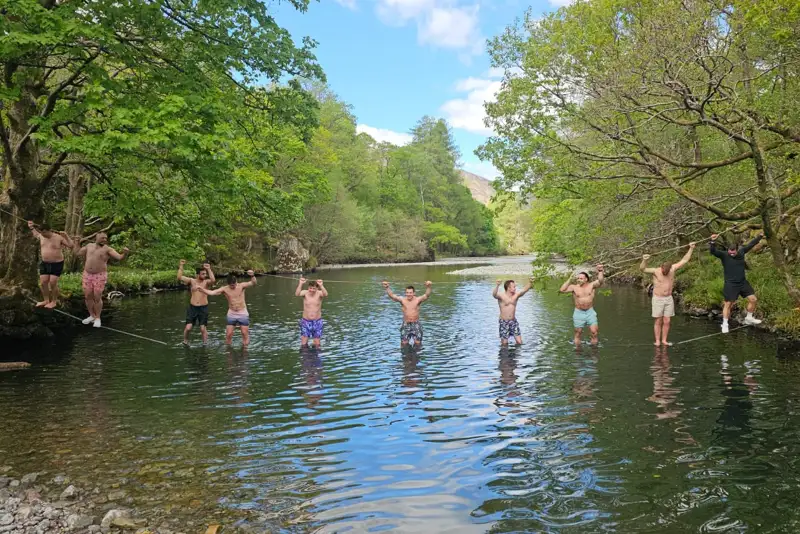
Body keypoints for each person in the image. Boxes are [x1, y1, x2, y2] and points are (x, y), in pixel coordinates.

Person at [640, 243, 696, 346]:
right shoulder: (656, 271)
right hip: (658, 298)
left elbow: (684, 260)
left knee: (667, 320)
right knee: (658, 320)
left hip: (668, 299)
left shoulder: (673, 269)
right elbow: (643, 269)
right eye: (664, 271)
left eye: (667, 271)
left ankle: (664, 340)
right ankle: (657, 341)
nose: (665, 272)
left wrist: (691, 248)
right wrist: (644, 260)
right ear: (661, 267)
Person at [710, 233, 764, 333]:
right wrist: (712, 241)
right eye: (730, 253)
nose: (731, 254)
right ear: (728, 251)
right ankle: (725, 324)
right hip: (730, 284)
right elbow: (713, 251)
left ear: (737, 250)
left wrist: (760, 236)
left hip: (742, 282)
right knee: (728, 304)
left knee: (753, 299)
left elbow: (751, 244)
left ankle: (749, 318)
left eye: (733, 253)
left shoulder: (742, 252)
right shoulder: (724, 255)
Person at [73, 232, 129, 328]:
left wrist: (125, 253)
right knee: (87, 296)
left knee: (97, 296)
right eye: (102, 238)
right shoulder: (89, 246)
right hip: (87, 274)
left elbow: (119, 257)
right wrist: (77, 242)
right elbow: (77, 253)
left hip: (100, 275)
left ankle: (98, 318)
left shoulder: (108, 249)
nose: (104, 240)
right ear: (96, 237)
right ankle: (92, 315)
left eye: (106, 238)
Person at [199, 270, 257, 346]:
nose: (233, 286)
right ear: (228, 284)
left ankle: (245, 350)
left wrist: (252, 275)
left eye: (234, 284)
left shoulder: (242, 286)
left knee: (244, 333)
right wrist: (202, 289)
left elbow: (253, 283)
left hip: (242, 312)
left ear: (236, 282)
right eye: (232, 285)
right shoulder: (225, 289)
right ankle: (229, 351)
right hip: (232, 313)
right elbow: (212, 292)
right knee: (229, 334)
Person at [28, 220, 74, 308]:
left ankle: (54, 302)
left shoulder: (58, 237)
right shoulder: (41, 236)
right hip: (45, 263)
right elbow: (36, 234)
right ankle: (46, 300)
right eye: (41, 232)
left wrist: (66, 236)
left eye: (44, 232)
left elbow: (71, 246)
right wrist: (31, 227)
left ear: (49, 230)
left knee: (52, 282)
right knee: (43, 282)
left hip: (57, 263)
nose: (43, 234)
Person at [559, 265, 604, 346]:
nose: (579, 280)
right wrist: (569, 280)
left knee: (594, 332)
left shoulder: (592, 285)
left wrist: (600, 271)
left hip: (590, 312)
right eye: (578, 278)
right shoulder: (573, 287)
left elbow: (600, 281)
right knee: (578, 333)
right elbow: (562, 290)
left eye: (581, 278)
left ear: (586, 279)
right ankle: (578, 352)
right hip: (578, 312)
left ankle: (594, 351)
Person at [382, 280, 432, 348]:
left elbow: (426, 295)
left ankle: (416, 356)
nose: (408, 294)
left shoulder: (417, 300)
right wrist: (387, 287)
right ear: (405, 293)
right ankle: (405, 357)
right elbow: (392, 296)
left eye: (410, 292)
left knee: (418, 343)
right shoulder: (402, 300)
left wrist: (428, 287)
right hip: (406, 324)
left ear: (414, 293)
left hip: (416, 324)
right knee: (404, 343)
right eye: (407, 292)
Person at [178, 260, 216, 345]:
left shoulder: (206, 282)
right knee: (188, 327)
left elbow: (213, 280)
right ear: (198, 275)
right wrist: (181, 265)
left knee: (203, 328)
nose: (205, 275)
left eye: (205, 274)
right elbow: (179, 277)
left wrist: (209, 269)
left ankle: (205, 343)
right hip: (193, 308)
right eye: (203, 274)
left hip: (203, 308)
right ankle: (185, 341)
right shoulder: (192, 281)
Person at [492, 278, 534, 345]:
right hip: (504, 322)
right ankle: (505, 354)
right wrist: (497, 285)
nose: (515, 288)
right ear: (508, 288)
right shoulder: (501, 296)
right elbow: (494, 295)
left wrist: (530, 282)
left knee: (519, 342)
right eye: (514, 287)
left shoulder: (516, 296)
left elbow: (524, 290)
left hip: (513, 321)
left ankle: (516, 355)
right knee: (504, 344)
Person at [295, 277, 328, 348]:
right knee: (304, 341)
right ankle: (305, 357)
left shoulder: (319, 294)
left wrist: (321, 285)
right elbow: (297, 294)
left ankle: (316, 357)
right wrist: (300, 283)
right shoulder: (305, 293)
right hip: (306, 321)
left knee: (317, 342)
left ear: (317, 289)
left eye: (314, 288)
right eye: (310, 288)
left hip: (317, 321)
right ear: (308, 288)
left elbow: (325, 294)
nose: (312, 290)